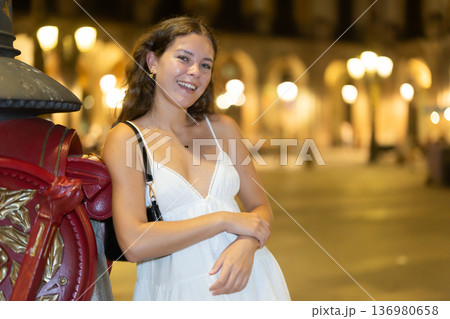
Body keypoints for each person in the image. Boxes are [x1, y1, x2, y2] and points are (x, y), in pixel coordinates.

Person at [102, 16, 290, 300]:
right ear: (153, 62)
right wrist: (224, 220)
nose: (195, 72)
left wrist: (248, 243)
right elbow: (134, 242)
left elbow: (260, 207)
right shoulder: (126, 139)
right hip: (177, 292)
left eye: (205, 65)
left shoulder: (223, 129)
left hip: (251, 283)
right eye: (184, 58)